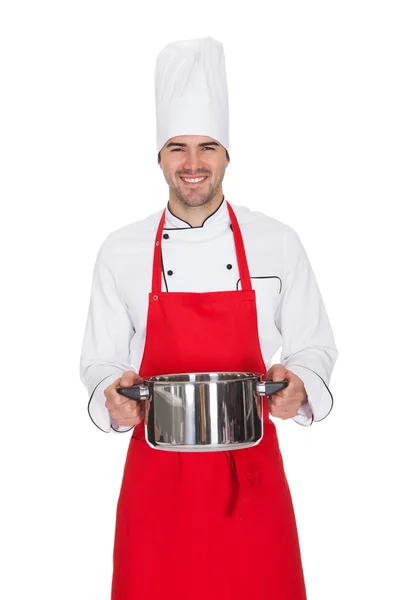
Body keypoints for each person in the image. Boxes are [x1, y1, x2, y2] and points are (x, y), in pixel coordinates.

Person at [79, 36, 338, 600]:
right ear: (159, 156)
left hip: (250, 476)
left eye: (206, 147)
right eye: (177, 147)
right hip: (157, 482)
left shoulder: (278, 242)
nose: (192, 164)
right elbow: (100, 359)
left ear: (226, 154)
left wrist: (302, 386)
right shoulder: (121, 250)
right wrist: (111, 392)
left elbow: (314, 346)